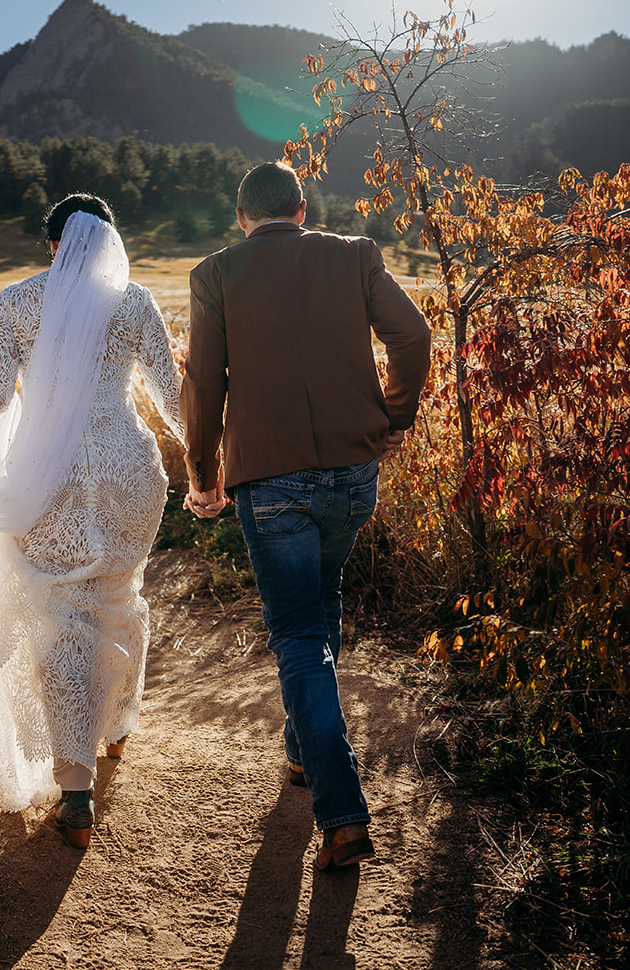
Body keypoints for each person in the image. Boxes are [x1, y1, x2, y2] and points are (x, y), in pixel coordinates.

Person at [180, 161, 431, 869]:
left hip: (272, 485)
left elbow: (203, 382)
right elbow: (413, 338)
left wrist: (203, 477)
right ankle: (301, 750)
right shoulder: (354, 254)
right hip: (354, 477)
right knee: (322, 602)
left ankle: (342, 810)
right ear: (302, 204)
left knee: (296, 630)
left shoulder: (215, 274)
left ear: (242, 218)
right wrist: (396, 417)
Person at [0, 194, 185, 848]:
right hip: (132, 471)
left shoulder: (18, 300)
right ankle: (119, 721)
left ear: (53, 245)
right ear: (108, 242)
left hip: (52, 479)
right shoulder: (133, 302)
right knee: (119, 596)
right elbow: (172, 396)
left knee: (60, 617)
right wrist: (216, 467)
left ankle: (76, 790)